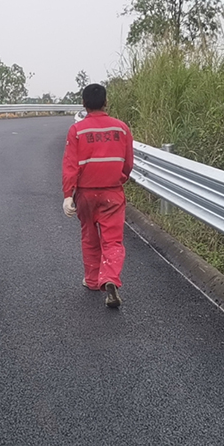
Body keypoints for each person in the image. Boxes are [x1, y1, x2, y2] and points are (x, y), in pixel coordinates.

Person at [62, 84, 134, 308]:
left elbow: (70, 165)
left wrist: (68, 195)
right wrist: (119, 179)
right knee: (112, 240)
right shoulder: (121, 129)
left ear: (84, 104)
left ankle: (93, 280)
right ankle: (110, 278)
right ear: (106, 102)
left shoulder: (78, 131)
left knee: (90, 237)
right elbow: (128, 163)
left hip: (85, 194)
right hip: (112, 193)